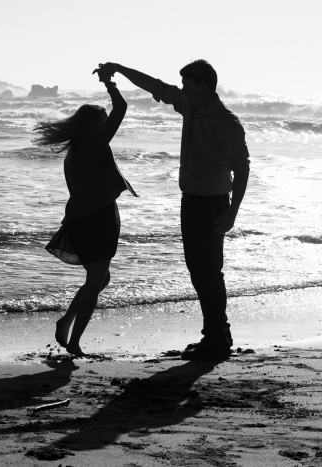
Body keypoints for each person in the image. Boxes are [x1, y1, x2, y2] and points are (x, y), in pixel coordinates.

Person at [94, 60, 250, 360]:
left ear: (203, 86)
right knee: (198, 271)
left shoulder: (228, 124)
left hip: (212, 205)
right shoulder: (189, 105)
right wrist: (118, 69)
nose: (182, 90)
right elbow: (155, 86)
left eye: (188, 85)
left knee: (208, 272)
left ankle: (217, 338)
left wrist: (232, 214)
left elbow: (242, 171)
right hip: (190, 202)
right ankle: (218, 332)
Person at [33, 70, 138, 357]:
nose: (108, 129)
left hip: (83, 219)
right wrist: (108, 83)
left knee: (100, 280)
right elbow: (122, 108)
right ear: (94, 127)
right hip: (97, 221)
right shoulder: (93, 145)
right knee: (96, 282)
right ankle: (76, 343)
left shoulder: (75, 152)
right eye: (103, 124)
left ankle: (66, 321)